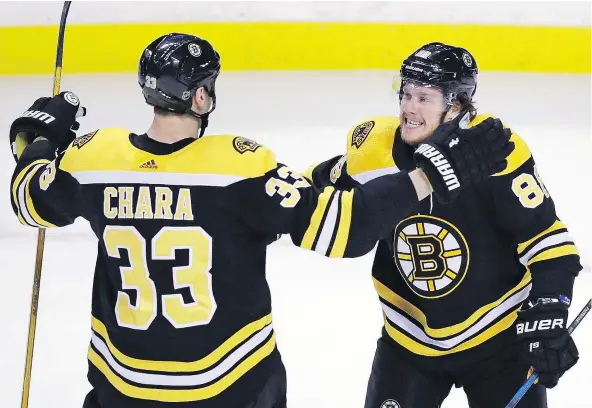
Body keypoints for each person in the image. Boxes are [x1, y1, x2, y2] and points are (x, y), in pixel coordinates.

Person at [9, 33, 511, 408]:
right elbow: (348, 229)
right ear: (201, 97)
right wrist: (430, 176)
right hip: (229, 387)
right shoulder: (240, 168)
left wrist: (38, 140)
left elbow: (27, 197)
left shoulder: (95, 156)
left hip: (122, 389)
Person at [304, 42, 582, 408]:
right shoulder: (372, 147)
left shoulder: (497, 151)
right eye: (405, 93)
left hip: (497, 342)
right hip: (407, 342)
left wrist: (549, 307)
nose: (409, 108)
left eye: (424, 98)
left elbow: (549, 241)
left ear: (457, 106)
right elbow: (306, 192)